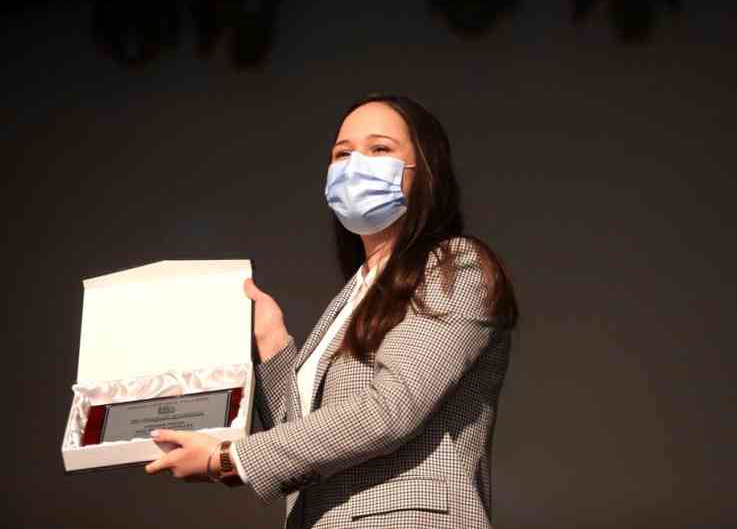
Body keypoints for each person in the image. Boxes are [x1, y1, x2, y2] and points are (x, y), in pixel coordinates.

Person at [144, 93, 519, 528]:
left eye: (379, 149)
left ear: (427, 170)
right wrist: (271, 341)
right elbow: (305, 435)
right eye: (342, 154)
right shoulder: (356, 292)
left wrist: (226, 459)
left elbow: (389, 410)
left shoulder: (455, 265)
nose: (356, 165)